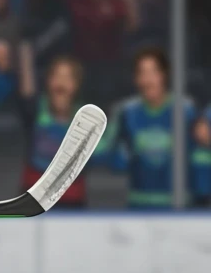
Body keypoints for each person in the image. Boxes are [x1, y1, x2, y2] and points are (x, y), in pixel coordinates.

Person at [99, 48, 203, 209]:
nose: (148, 80)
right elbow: (106, 150)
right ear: (136, 79)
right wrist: (117, 156)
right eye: (142, 73)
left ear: (164, 75)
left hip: (178, 205)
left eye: (153, 72)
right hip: (139, 204)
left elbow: (199, 152)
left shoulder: (185, 110)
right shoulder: (126, 112)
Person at [11, 49, 94, 208]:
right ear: (48, 81)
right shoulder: (36, 109)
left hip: (72, 201)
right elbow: (26, 91)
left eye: (68, 77)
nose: (61, 82)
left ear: (77, 85)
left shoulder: (86, 118)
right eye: (56, 76)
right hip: (33, 200)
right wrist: (25, 51)